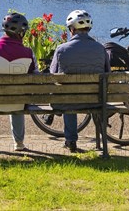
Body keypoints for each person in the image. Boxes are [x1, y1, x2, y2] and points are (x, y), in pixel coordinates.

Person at [0, 13, 39, 152]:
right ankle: (19, 143)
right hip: (19, 101)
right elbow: (36, 76)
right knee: (18, 98)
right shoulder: (28, 52)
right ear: (21, 32)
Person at [50, 9, 110, 152]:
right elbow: (108, 73)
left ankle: (71, 141)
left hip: (69, 100)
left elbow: (53, 74)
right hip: (96, 100)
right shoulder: (101, 49)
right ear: (88, 28)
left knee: (68, 97)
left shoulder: (61, 49)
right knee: (71, 96)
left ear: (71, 29)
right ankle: (103, 146)